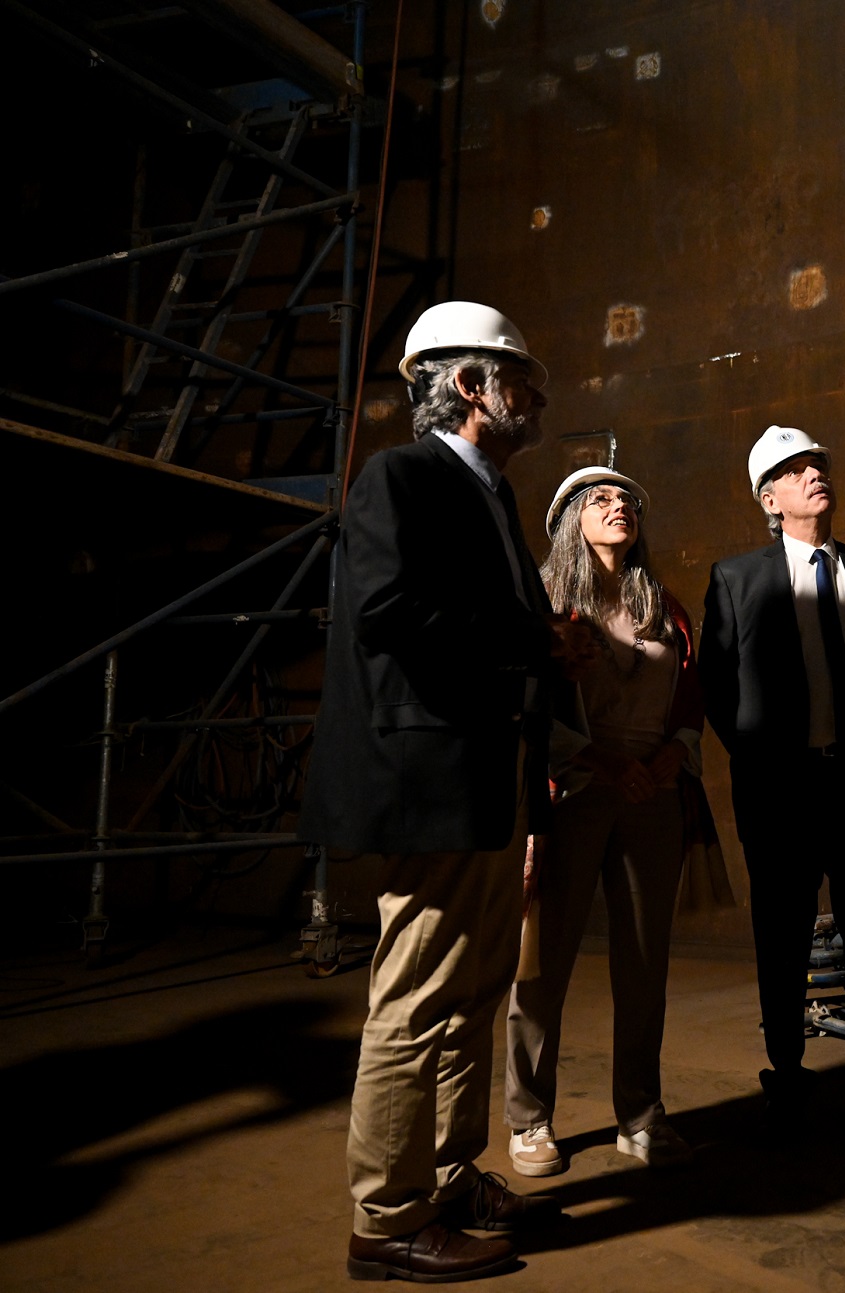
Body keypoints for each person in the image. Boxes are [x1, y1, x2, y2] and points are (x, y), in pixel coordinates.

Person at [301, 301, 592, 1283]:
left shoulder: (489, 496)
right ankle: (385, 1219)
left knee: (472, 992)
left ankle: (447, 1172)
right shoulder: (402, 477)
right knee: (416, 996)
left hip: (482, 776)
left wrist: (542, 653)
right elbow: (385, 611)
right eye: (525, 378)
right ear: (473, 385)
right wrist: (531, 637)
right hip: (426, 778)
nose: (538, 396)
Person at [502, 466, 727, 1176]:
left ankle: (639, 1113)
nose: (619, 505)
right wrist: (599, 761)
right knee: (544, 961)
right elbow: (530, 705)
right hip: (568, 794)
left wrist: (671, 758)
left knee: (644, 961)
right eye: (600, 499)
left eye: (627, 498)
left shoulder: (662, 604)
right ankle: (529, 1118)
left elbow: (692, 695)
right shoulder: (543, 601)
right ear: (569, 517)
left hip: (652, 795)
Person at [699, 426, 845, 1126]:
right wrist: (762, 758)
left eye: (819, 462)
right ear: (771, 497)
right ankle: (786, 1069)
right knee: (781, 934)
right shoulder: (737, 577)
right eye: (795, 469)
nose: (814, 473)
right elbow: (717, 687)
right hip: (780, 792)